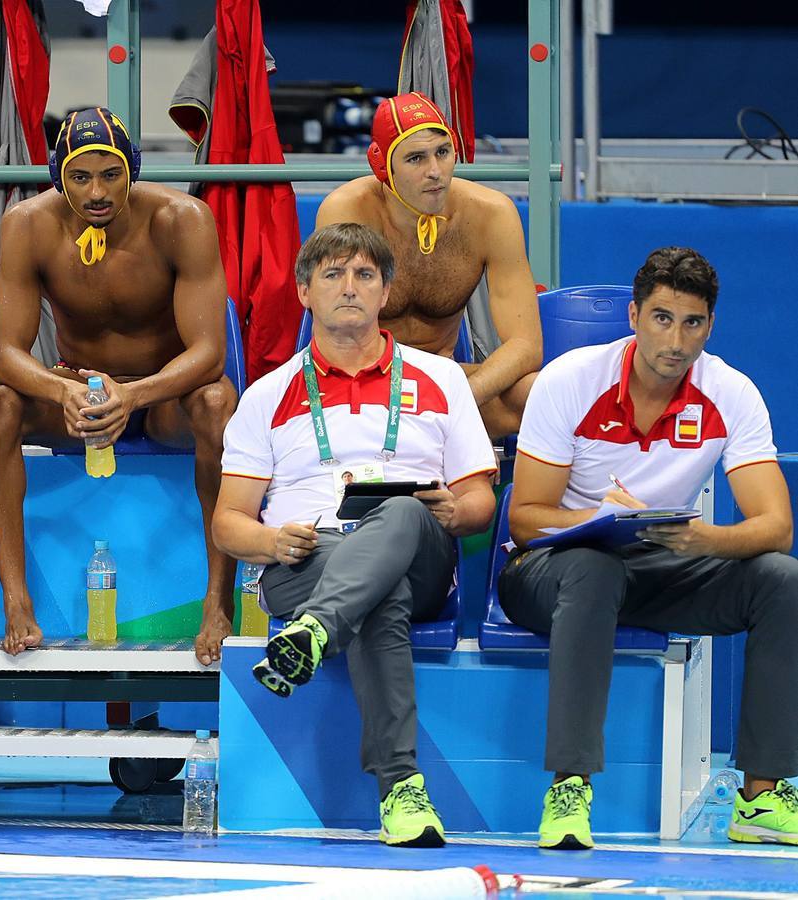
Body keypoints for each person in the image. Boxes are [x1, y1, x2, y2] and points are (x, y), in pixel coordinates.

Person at [501, 247, 798, 849]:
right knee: (592, 572)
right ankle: (568, 789)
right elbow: (527, 519)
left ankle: (760, 799)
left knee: (783, 580)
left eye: (692, 323)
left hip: (662, 563)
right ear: (634, 316)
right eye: (662, 318)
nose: (676, 339)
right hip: (548, 569)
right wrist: (603, 518)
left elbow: (776, 526)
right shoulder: (571, 380)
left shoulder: (731, 393)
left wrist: (705, 540)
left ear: (709, 327)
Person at [212, 223, 495, 847]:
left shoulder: (442, 380)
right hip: (305, 560)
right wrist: (270, 542)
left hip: (417, 545)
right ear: (304, 290)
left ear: (387, 291)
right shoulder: (266, 395)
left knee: (396, 512)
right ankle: (401, 791)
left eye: (365, 274)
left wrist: (454, 509)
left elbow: (482, 498)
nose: (350, 288)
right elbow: (229, 520)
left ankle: (314, 633)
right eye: (333, 275)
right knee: (377, 595)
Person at [0, 106, 239, 664]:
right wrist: (61, 391)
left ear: (132, 169)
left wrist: (137, 393)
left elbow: (209, 353)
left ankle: (218, 601)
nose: (97, 192)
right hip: (82, 398)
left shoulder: (181, 220)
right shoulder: (27, 226)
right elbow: (6, 355)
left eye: (111, 174)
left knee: (218, 402)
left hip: (164, 396)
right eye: (80, 177)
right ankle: (17, 600)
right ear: (58, 176)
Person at [316, 92, 540, 438]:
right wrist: (392, 398)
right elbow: (335, 329)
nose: (435, 172)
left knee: (536, 394)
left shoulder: (491, 215)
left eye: (442, 152)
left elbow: (525, 345)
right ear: (382, 166)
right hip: (358, 380)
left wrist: (461, 396)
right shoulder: (349, 212)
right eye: (416, 158)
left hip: (445, 381)